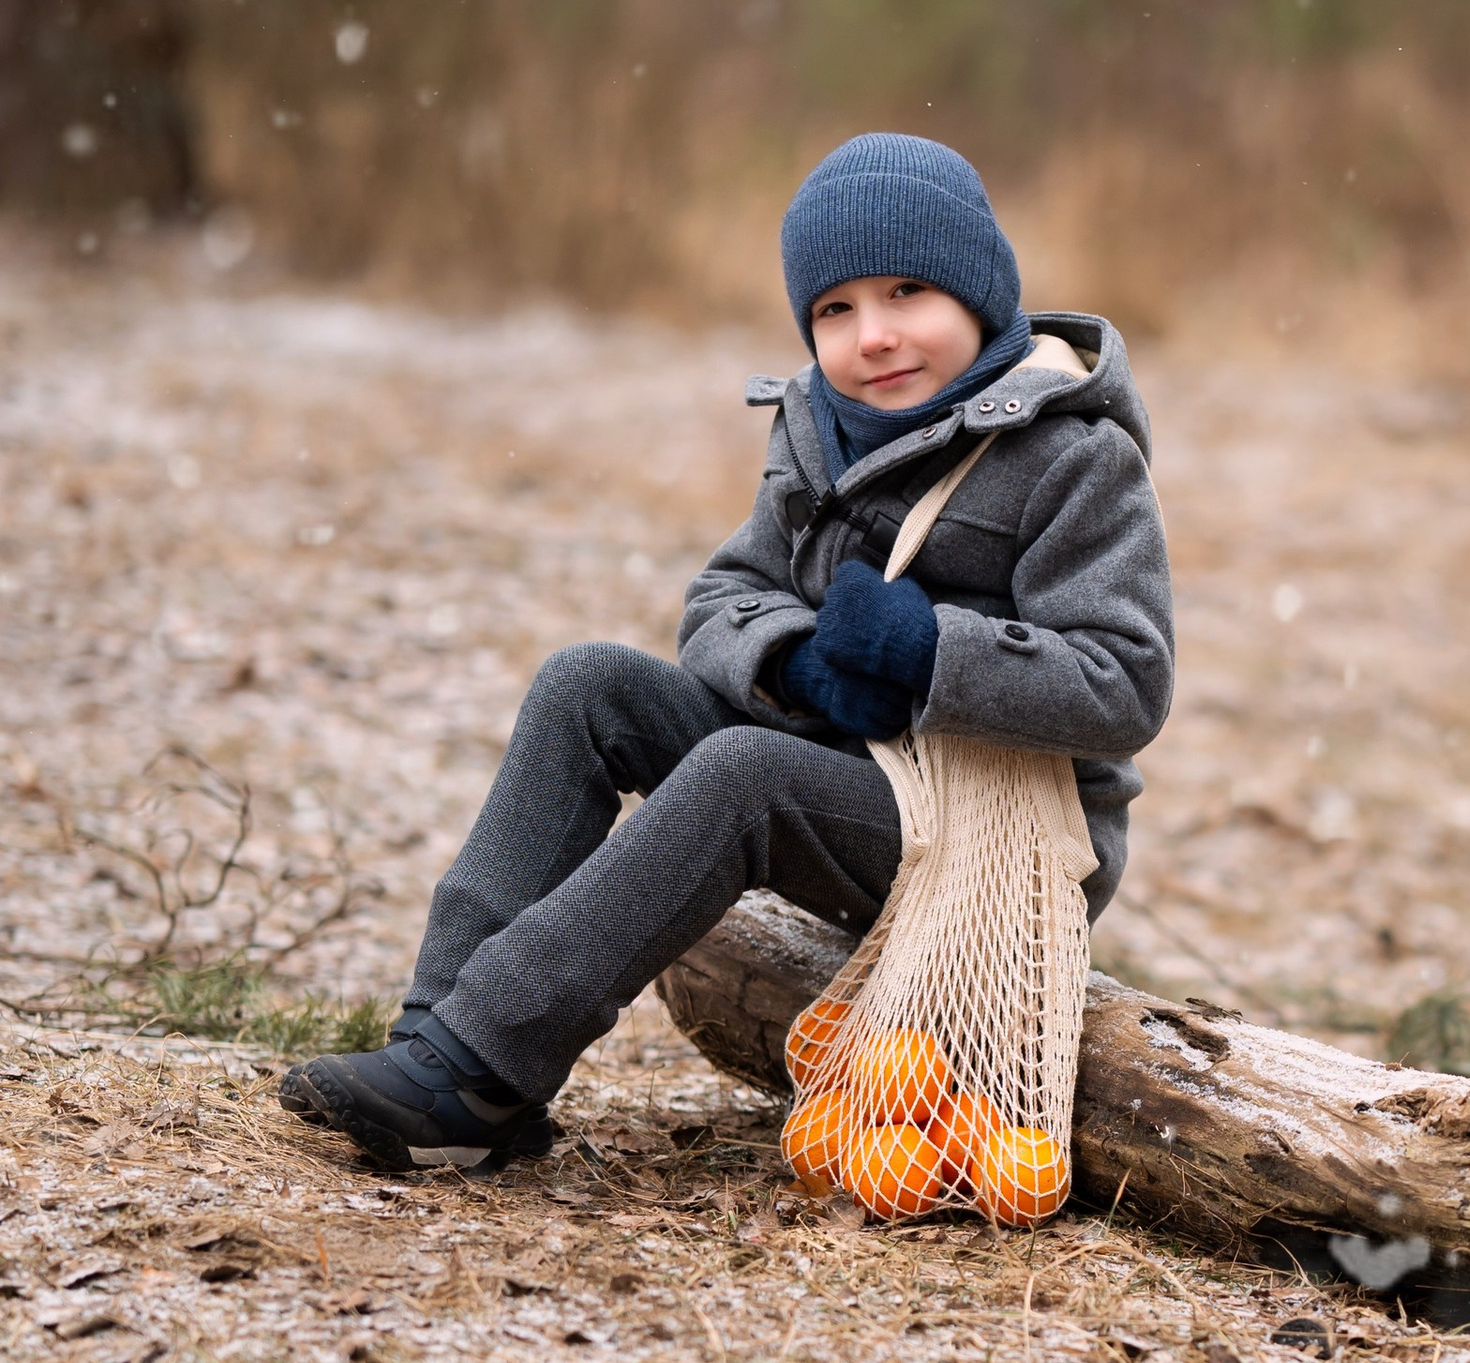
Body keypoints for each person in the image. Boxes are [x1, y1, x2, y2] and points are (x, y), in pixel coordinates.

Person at [280, 130, 1175, 1173]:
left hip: (1005, 836)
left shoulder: (1074, 456)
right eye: (835, 311)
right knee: (587, 686)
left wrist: (932, 652)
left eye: (906, 294)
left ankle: (483, 1061)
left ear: (981, 293)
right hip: (849, 771)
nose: (873, 336)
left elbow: (1126, 682)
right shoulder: (817, 426)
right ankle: (439, 1046)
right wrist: (793, 661)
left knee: (742, 775)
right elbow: (725, 593)